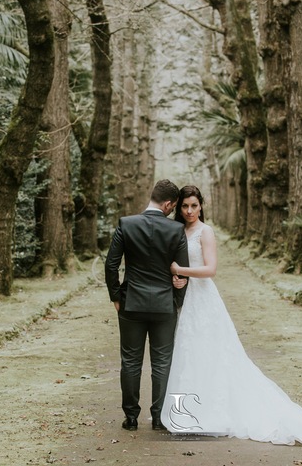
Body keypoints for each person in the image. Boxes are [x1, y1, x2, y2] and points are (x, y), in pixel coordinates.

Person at [162, 185, 302, 445]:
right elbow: (179, 267)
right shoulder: (178, 230)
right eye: (185, 206)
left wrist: (181, 270)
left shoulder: (205, 231)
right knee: (190, 352)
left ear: (201, 206)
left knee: (213, 353)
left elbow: (210, 269)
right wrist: (179, 278)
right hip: (188, 300)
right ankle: (189, 414)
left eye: (194, 206)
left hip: (205, 300)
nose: (189, 211)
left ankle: (214, 413)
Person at [105, 179, 190, 432]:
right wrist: (176, 303)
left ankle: (131, 418)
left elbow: (111, 265)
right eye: (173, 206)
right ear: (168, 204)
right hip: (164, 305)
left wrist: (117, 297)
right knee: (162, 362)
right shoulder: (176, 230)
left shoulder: (126, 224)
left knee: (130, 361)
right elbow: (181, 274)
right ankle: (159, 418)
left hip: (131, 303)